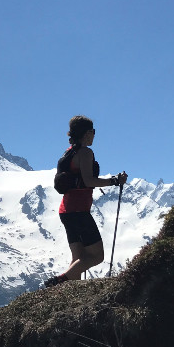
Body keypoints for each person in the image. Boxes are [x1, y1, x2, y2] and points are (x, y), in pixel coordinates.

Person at [45, 116, 127, 287]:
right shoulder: (85, 152)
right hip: (79, 211)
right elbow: (89, 181)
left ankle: (66, 292)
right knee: (97, 256)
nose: (94, 135)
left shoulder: (69, 153)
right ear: (86, 133)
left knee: (79, 258)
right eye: (93, 132)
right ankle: (59, 282)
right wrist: (114, 181)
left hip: (66, 210)